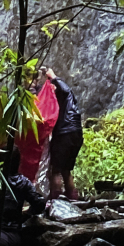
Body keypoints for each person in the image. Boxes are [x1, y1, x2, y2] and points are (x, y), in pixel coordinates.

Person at [46, 68, 84, 201]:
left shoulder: (64, 94)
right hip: (76, 134)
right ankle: (73, 200)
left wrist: (53, 76)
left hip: (64, 134)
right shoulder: (70, 101)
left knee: (55, 170)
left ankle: (54, 201)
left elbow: (64, 89)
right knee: (66, 169)